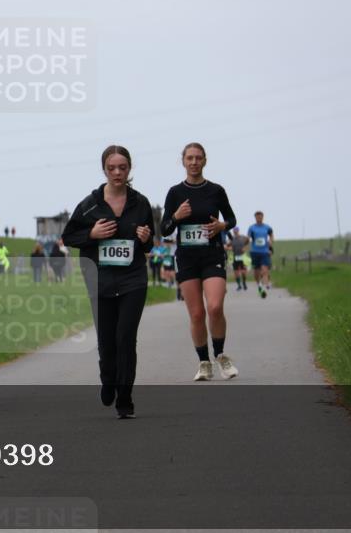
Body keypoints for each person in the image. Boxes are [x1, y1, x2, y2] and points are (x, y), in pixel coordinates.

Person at [62, 145, 154, 419]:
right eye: (112, 168)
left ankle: (125, 398)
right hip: (99, 279)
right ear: (104, 169)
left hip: (132, 279)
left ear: (129, 169)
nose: (117, 172)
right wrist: (91, 233)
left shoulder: (141, 203)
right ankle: (108, 379)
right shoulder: (89, 204)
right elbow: (69, 237)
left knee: (126, 338)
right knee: (107, 341)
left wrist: (146, 238)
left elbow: (150, 246)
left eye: (122, 167)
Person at [161, 142, 239, 382]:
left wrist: (222, 226)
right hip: (187, 258)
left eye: (198, 158)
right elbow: (164, 229)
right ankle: (204, 362)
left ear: (205, 161)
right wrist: (176, 216)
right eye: (189, 158)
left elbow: (232, 218)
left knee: (215, 307)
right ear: (183, 161)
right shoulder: (175, 193)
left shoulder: (216, 190)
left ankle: (221, 356)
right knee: (196, 314)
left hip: (212, 254)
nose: (194, 162)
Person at [247, 211, 275, 298]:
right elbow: (248, 237)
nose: (259, 218)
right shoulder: (252, 228)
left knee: (264, 270)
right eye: (257, 217)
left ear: (263, 217)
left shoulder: (267, 227)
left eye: (260, 216)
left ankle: (265, 289)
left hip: (265, 252)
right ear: (255, 218)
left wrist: (270, 241)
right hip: (255, 252)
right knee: (256, 272)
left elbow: (271, 235)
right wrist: (246, 243)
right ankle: (259, 285)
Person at [227, 226, 250, 291]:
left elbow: (248, 241)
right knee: (236, 272)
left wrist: (245, 248)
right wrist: (229, 248)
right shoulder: (232, 239)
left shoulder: (243, 237)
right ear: (233, 232)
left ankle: (244, 283)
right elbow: (227, 246)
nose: (235, 232)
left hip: (243, 256)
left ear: (238, 231)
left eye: (236, 231)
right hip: (235, 256)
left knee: (243, 271)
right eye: (234, 231)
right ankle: (239, 285)